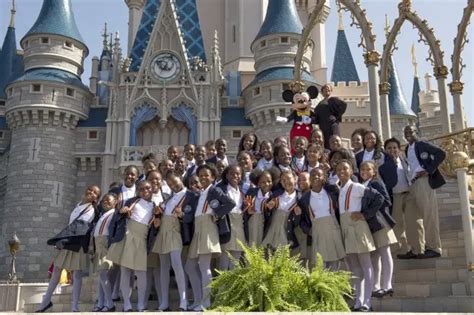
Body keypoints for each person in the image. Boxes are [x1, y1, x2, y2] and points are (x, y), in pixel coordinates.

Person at [36, 185, 101, 313]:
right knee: (57, 270)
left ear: (96, 198)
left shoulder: (93, 209)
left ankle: (74, 306)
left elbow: (84, 228)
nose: (92, 193)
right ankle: (46, 301)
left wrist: (63, 241)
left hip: (79, 242)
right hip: (69, 241)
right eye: (90, 190)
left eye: (95, 193)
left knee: (77, 274)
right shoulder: (78, 205)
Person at [183, 164, 235, 311]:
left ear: (213, 177)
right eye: (201, 175)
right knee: (190, 266)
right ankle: (199, 300)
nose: (203, 177)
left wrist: (216, 214)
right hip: (198, 230)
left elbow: (230, 203)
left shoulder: (214, 190)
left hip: (208, 228)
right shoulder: (200, 193)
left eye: (207, 175)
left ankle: (206, 303)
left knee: (204, 266)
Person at [335, 160, 384, 312]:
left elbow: (379, 198)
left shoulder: (356, 187)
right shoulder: (340, 189)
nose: (342, 171)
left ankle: (367, 302)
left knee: (366, 264)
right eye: (339, 169)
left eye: (345, 168)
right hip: (346, 229)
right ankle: (358, 301)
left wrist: (365, 214)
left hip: (358, 228)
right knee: (355, 268)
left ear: (351, 171)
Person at [149, 172, 198, 311]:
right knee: (163, 267)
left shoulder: (191, 195)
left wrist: (182, 215)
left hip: (176, 232)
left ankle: (183, 300)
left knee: (177, 265)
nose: (173, 186)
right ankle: (164, 301)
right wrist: (158, 214)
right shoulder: (169, 198)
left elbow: (191, 215)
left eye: (175, 182)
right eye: (170, 184)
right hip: (163, 233)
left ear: (180, 179)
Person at [107, 180, 157, 312]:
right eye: (141, 189)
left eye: (147, 188)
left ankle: (141, 304)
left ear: (152, 189)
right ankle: (127, 304)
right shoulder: (132, 201)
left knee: (141, 272)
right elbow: (118, 215)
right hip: (128, 236)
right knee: (125, 270)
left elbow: (155, 226)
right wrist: (122, 211)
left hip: (142, 239)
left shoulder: (155, 206)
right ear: (137, 191)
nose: (144, 191)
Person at [402, 125, 446, 259]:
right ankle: (416, 249)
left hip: (423, 182)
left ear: (416, 132)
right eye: (406, 132)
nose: (408, 133)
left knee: (429, 216)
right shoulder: (407, 148)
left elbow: (441, 153)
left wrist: (428, 170)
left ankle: (434, 248)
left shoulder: (421, 143)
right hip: (412, 184)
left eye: (411, 131)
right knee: (411, 218)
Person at [359, 161, 397, 298]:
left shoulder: (376, 183)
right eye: (362, 169)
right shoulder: (360, 185)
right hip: (369, 225)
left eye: (368, 169)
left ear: (374, 171)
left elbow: (386, 200)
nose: (364, 171)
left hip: (380, 223)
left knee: (385, 253)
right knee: (374, 256)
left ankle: (387, 285)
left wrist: (369, 210)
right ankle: (376, 285)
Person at [298, 168, 345, 270]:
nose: (316, 177)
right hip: (317, 231)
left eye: (319, 175)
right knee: (321, 262)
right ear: (309, 179)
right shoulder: (304, 199)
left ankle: (334, 284)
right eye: (313, 175)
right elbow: (301, 220)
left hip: (333, 228)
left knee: (334, 259)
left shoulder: (332, 191)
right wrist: (308, 230)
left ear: (324, 178)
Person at [384, 138, 421, 256]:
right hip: (395, 196)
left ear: (399, 149)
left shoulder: (404, 160)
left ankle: (418, 249)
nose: (392, 150)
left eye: (394, 147)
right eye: (389, 148)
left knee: (413, 222)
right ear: (385, 150)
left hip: (408, 194)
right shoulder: (383, 164)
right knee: (398, 224)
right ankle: (404, 249)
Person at [91, 193, 117, 312]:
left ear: (115, 202)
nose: (105, 202)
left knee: (103, 274)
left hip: (106, 245)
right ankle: (101, 303)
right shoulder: (103, 214)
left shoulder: (115, 214)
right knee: (101, 276)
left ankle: (110, 303)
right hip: (98, 245)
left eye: (109, 200)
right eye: (104, 200)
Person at [217, 165, 247, 270]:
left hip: (239, 225)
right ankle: (221, 286)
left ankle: (233, 286)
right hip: (227, 224)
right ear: (227, 176)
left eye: (238, 173)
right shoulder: (221, 190)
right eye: (232, 173)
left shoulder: (243, 192)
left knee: (236, 259)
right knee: (224, 259)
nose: (235, 176)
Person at [261, 171, 300, 250]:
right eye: (283, 180)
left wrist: (298, 215)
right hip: (273, 230)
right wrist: (268, 208)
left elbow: (301, 219)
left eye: (288, 179)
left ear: (295, 179)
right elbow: (266, 215)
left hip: (288, 230)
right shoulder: (275, 195)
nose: (286, 182)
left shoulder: (300, 197)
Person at [244, 169, 273, 247]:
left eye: (269, 181)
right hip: (253, 222)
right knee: (252, 246)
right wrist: (248, 211)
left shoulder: (273, 196)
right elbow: (245, 207)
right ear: (258, 184)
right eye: (263, 182)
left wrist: (269, 209)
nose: (266, 184)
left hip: (266, 224)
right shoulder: (252, 192)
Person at [312, 84, 347, 150]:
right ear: (322, 92)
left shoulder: (334, 100)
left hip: (333, 126)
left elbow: (344, 105)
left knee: (335, 141)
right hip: (324, 127)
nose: (327, 90)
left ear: (331, 91)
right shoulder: (319, 105)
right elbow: (316, 117)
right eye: (325, 89)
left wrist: (336, 117)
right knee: (326, 144)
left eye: (328, 89)